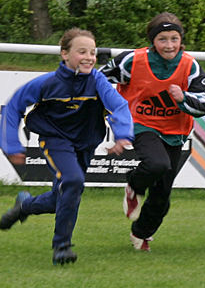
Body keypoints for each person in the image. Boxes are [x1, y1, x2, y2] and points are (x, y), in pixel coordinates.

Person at [0, 28, 133, 265]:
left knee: (59, 197)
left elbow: (119, 106)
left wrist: (123, 135)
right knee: (73, 181)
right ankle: (61, 246)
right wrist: (11, 144)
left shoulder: (98, 81)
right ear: (64, 54)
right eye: (82, 51)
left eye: (92, 52)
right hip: (54, 140)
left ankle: (25, 206)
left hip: (85, 144)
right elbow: (13, 108)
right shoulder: (47, 83)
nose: (89, 57)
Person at [101, 12, 205, 251]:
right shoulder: (132, 60)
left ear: (181, 39)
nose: (169, 45)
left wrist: (184, 97)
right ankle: (134, 185)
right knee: (157, 164)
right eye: (162, 39)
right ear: (153, 41)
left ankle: (141, 233)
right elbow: (100, 79)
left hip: (175, 131)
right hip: (141, 124)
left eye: (174, 38)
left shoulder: (190, 65)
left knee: (162, 196)